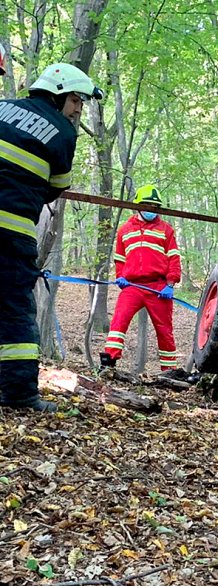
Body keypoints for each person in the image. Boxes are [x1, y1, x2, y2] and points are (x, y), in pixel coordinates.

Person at [0, 62, 102, 411]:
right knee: (13, 313)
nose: (78, 110)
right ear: (58, 96)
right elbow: (56, 188)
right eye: (76, 101)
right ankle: (20, 396)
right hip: (11, 233)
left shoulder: (2, 107)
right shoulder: (62, 133)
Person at [100, 185, 181, 371]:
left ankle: (169, 372)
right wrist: (120, 277)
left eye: (154, 206)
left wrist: (170, 283)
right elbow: (120, 259)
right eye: (146, 205)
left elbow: (174, 258)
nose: (150, 209)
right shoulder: (125, 230)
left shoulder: (166, 230)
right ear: (137, 206)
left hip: (159, 287)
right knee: (118, 321)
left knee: (164, 330)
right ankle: (108, 363)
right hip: (132, 286)